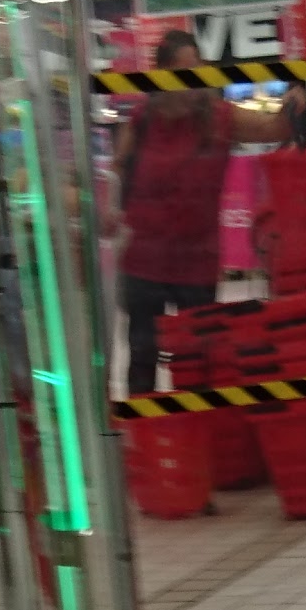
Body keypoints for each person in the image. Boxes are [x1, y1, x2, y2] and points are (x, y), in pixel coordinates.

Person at [116, 30, 230, 395]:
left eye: (197, 68)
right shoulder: (142, 119)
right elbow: (117, 170)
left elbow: (272, 126)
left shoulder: (218, 117)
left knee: (198, 360)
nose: (192, 79)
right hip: (145, 262)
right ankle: (144, 426)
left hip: (196, 263)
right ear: (161, 74)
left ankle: (196, 426)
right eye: (183, 70)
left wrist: (301, 94)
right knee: (142, 356)